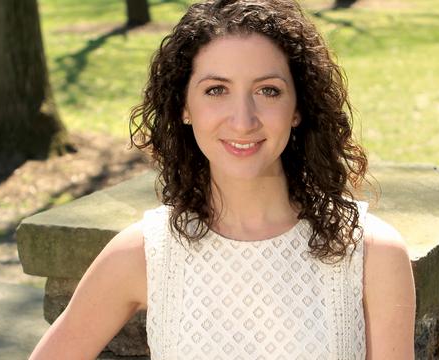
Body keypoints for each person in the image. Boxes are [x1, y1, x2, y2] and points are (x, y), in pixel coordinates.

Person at [29, 0, 416, 359]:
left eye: (268, 90)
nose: (243, 120)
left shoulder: (371, 253)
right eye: (217, 90)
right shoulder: (145, 253)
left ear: (298, 108)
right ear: (184, 107)